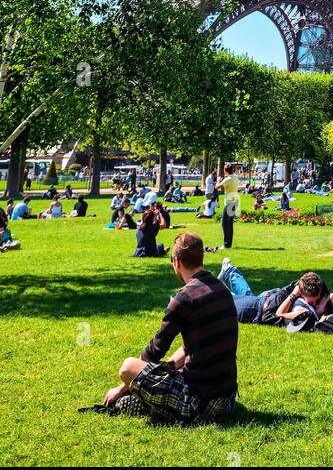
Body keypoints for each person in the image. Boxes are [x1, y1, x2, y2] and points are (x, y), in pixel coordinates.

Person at [102, 232, 238, 423]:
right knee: (170, 369)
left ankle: (150, 405)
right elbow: (189, 347)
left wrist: (122, 387)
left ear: (176, 262)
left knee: (128, 367)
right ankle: (150, 402)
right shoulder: (221, 289)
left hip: (198, 402)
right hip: (226, 399)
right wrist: (168, 368)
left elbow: (152, 353)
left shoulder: (184, 298)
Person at [217, 165, 240, 250]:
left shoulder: (228, 179)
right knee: (229, 224)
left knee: (224, 224)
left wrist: (218, 180)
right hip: (235, 202)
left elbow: (217, 187)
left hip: (229, 204)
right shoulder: (235, 177)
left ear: (226, 171)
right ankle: (228, 244)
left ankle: (226, 245)